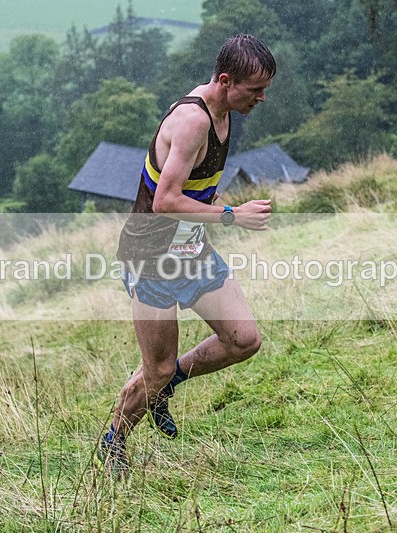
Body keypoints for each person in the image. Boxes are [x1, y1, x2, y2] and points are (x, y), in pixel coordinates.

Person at [99, 34, 276, 476]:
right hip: (151, 255)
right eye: (255, 90)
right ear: (225, 80)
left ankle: (169, 382)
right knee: (153, 370)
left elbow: (196, 187)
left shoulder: (225, 110)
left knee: (244, 339)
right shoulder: (192, 121)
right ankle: (114, 439)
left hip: (191, 249)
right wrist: (233, 215)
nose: (262, 98)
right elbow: (165, 201)